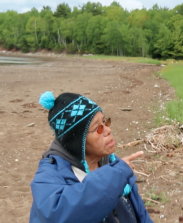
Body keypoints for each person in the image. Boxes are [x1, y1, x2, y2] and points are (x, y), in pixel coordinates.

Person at [30, 92, 154, 223]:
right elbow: (61, 214)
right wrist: (116, 175)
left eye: (105, 121)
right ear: (78, 141)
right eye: (98, 128)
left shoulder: (112, 162)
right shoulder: (47, 177)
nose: (108, 130)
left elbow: (140, 214)